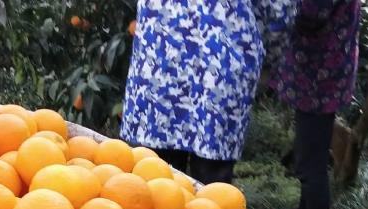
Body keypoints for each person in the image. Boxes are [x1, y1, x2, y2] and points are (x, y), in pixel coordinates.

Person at [121, 1, 298, 185]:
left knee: (151, 179)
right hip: (221, 63)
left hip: (158, 63)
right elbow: (280, 12)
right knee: (212, 187)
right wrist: (268, 56)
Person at [275, 0, 362, 209]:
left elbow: (309, 15)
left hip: (318, 75)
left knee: (311, 165)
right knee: (312, 151)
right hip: (327, 69)